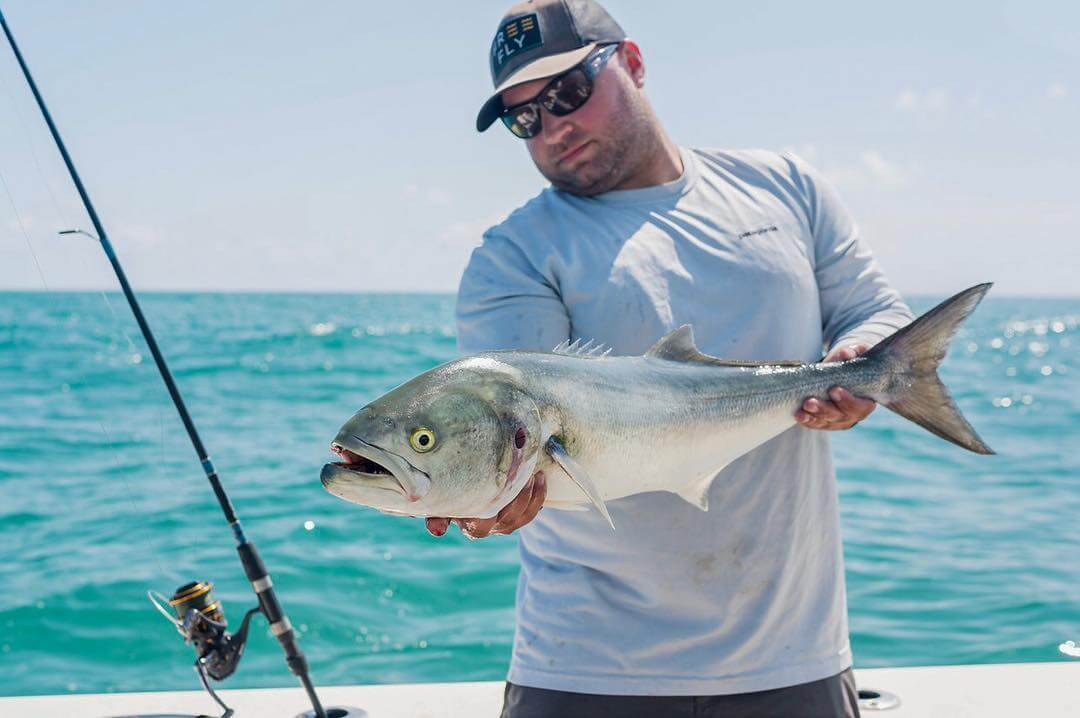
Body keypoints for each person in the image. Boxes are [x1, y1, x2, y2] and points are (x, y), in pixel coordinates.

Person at [427, 1, 913, 716]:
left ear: (632, 62)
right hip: (587, 671)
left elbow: (877, 313)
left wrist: (864, 363)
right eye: (523, 118)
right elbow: (519, 419)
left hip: (794, 655)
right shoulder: (515, 255)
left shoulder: (786, 187)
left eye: (565, 93)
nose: (553, 126)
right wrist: (483, 494)